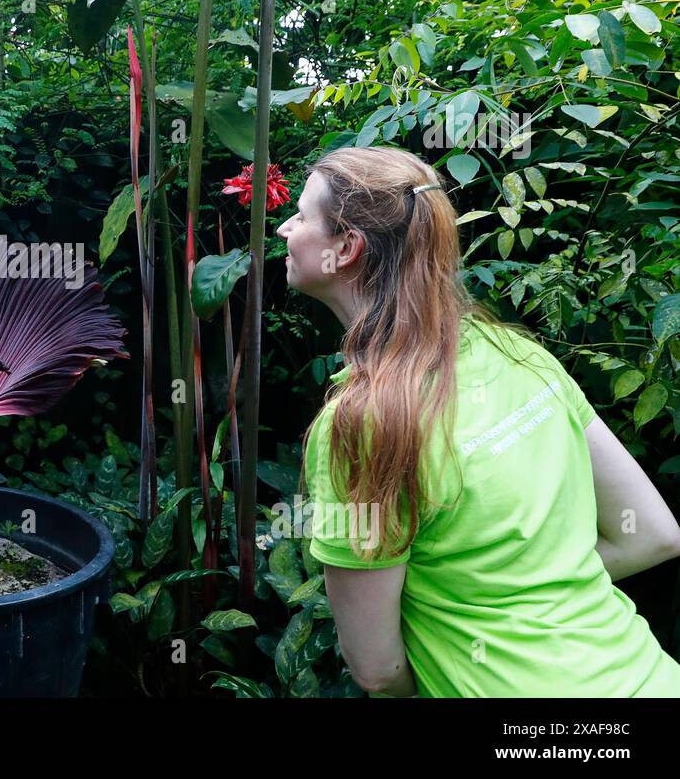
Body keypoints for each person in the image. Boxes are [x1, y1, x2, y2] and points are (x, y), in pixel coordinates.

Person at [278, 145, 680, 697]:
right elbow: (653, 536)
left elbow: (377, 670)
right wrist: (540, 599)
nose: (283, 228)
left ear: (346, 247)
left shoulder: (362, 423)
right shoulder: (519, 354)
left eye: (300, 216)